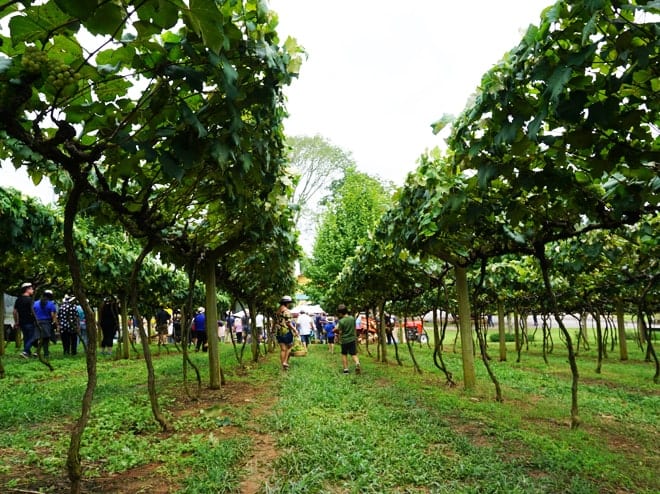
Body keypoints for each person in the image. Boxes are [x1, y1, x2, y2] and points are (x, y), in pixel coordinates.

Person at [14, 282, 37, 358]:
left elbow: (15, 312)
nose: (33, 290)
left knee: (26, 337)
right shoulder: (30, 300)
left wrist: (16, 322)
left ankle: (28, 353)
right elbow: (33, 311)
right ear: (27, 289)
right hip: (30, 321)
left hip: (21, 322)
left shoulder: (18, 299)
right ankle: (25, 351)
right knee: (32, 337)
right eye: (31, 289)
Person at [336, 304, 361, 374]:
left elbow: (340, 332)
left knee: (344, 354)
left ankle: (346, 370)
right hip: (352, 339)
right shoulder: (352, 318)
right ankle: (357, 363)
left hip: (344, 340)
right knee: (353, 354)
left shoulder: (341, 321)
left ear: (340, 313)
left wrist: (338, 336)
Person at [33, 289, 58, 358]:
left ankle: (37, 351)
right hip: (46, 322)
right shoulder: (51, 304)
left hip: (37, 322)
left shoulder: (35, 303)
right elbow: (53, 315)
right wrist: (54, 323)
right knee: (46, 339)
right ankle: (46, 354)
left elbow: (33, 312)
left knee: (38, 338)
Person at [275, 295, 297, 371]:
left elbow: (275, 322)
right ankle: (285, 362)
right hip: (286, 331)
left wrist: (272, 330)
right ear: (287, 303)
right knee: (290, 346)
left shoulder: (278, 311)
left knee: (283, 349)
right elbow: (288, 323)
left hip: (279, 332)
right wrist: (295, 330)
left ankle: (283, 365)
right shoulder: (287, 311)